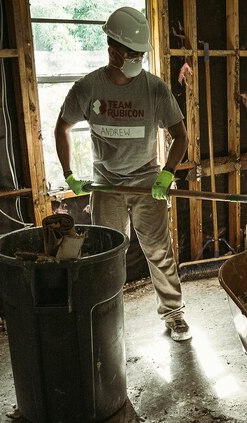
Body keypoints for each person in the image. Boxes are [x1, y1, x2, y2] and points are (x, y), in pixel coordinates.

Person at [54, 7, 191, 342]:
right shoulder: (87, 89)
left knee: (159, 251)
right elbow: (62, 128)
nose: (137, 59)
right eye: (131, 54)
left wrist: (166, 175)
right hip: (107, 184)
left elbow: (181, 137)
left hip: (147, 180)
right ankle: (104, 319)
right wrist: (70, 175)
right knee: (105, 256)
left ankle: (174, 315)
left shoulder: (155, 90)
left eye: (140, 54)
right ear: (112, 50)